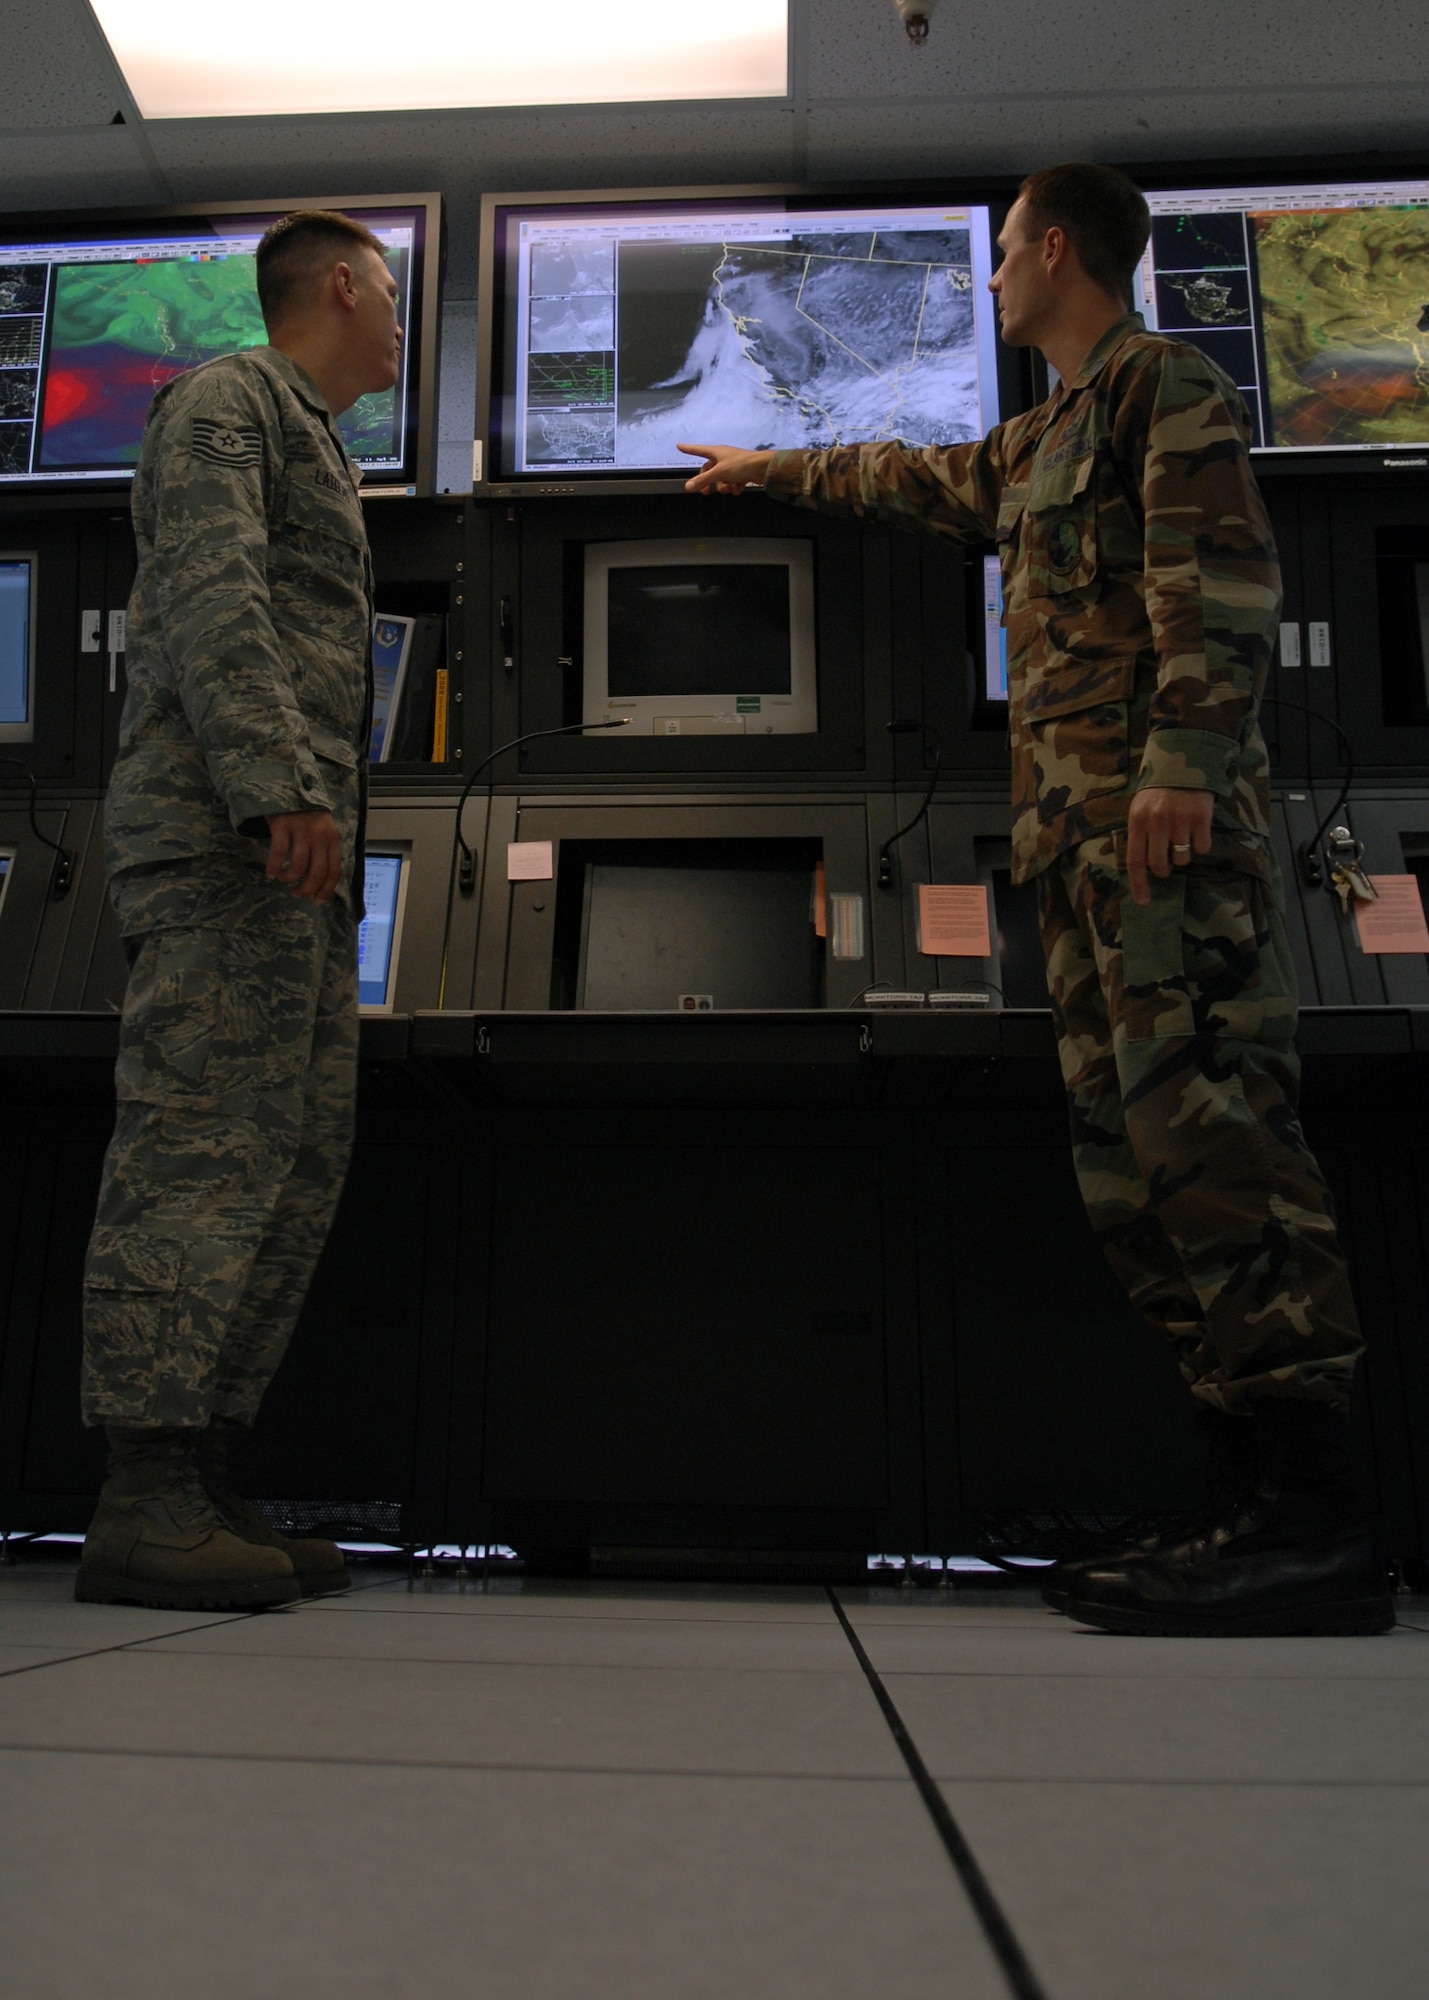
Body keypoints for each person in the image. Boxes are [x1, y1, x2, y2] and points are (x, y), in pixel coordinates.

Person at [681, 162, 1393, 1638]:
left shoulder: (1160, 387)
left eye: (1002, 252)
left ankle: (1314, 1520)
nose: (990, 277)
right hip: (1076, 861)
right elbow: (917, 478)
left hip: (1161, 850)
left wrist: (1184, 761)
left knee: (1223, 1159)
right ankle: (1237, 1497)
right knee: (1135, 1176)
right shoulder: (1048, 430)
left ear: (1054, 248)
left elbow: (1222, 578)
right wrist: (767, 470)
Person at [75, 211, 402, 1611]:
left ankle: (200, 1475)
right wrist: (279, 789)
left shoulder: (317, 438)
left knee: (288, 1162)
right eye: (389, 294)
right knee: (199, 1154)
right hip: (232, 846)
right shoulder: (229, 402)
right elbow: (212, 602)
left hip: (289, 863)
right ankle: (141, 1490)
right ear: (340, 286)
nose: (396, 321)